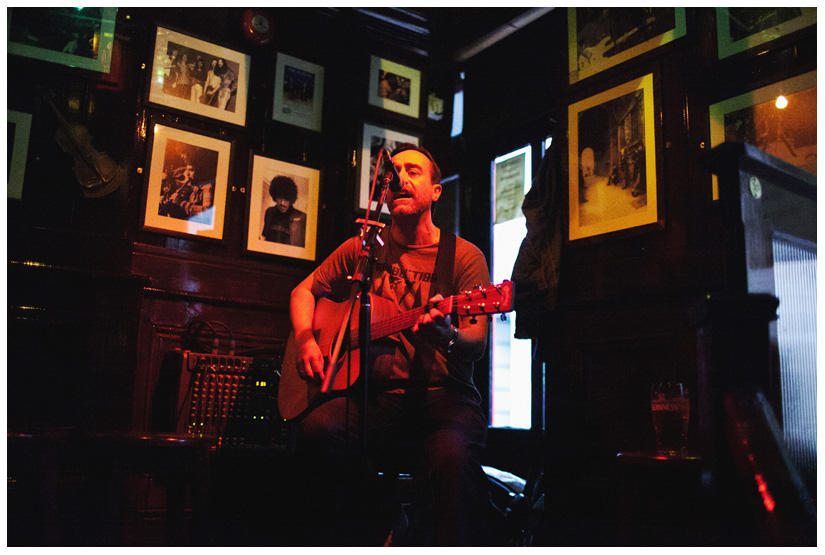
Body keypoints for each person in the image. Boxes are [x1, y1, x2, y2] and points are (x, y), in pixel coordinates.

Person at [287, 144, 491, 546]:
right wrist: (307, 338)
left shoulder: (464, 256)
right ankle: (384, 516)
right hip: (374, 391)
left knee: (454, 459)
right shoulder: (364, 248)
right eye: (394, 173)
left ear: (436, 190)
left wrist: (447, 334)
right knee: (316, 431)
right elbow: (302, 292)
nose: (401, 178)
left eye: (413, 171)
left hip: (443, 394)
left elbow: (477, 342)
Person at [261, 175, 307, 247]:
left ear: (291, 199)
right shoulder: (269, 212)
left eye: (286, 199)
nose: (282, 203)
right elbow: (264, 237)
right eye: (279, 197)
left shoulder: (301, 218)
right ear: (275, 196)